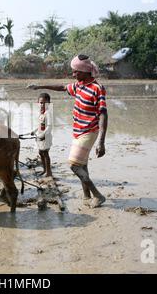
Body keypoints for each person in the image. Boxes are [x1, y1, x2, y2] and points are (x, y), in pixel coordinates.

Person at [28, 54, 108, 208]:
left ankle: (98, 195)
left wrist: (101, 141)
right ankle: (86, 196)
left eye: (76, 72)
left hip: (89, 131)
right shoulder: (79, 85)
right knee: (82, 165)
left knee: (73, 165)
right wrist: (39, 86)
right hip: (77, 131)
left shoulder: (97, 88)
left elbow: (103, 113)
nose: (73, 74)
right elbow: (63, 87)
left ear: (85, 71)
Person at [31, 93, 53, 177]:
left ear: (48, 103)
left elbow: (49, 126)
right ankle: (45, 170)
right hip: (40, 136)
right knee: (40, 152)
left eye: (44, 102)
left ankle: (49, 172)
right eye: (40, 102)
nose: (42, 104)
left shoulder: (48, 113)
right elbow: (39, 125)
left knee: (45, 153)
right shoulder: (41, 113)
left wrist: (43, 134)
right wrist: (34, 131)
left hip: (46, 136)